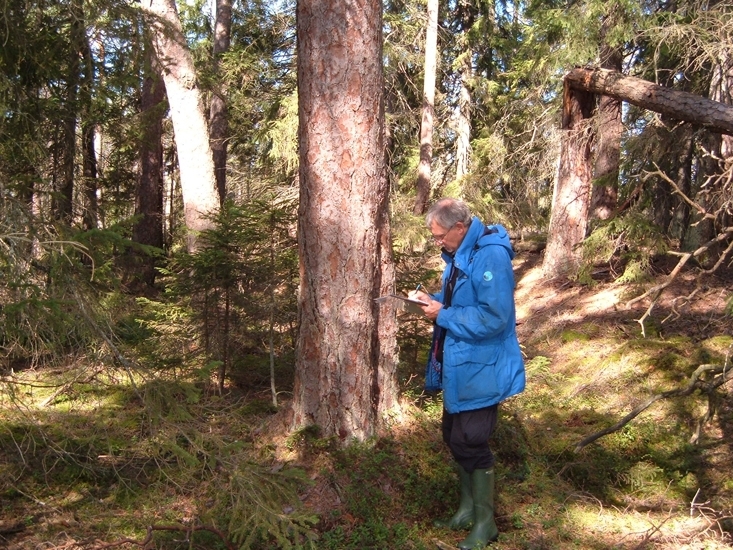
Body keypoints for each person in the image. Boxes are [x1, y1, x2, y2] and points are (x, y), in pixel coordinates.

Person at [409, 198, 525, 549]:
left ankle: (486, 524)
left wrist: (442, 315)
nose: (437, 242)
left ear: (459, 227)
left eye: (439, 236)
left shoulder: (490, 256)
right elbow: (461, 301)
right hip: (463, 365)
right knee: (452, 435)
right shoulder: (460, 253)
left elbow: (494, 318)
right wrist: (428, 300)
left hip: (483, 366)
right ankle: (467, 510)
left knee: (470, 440)